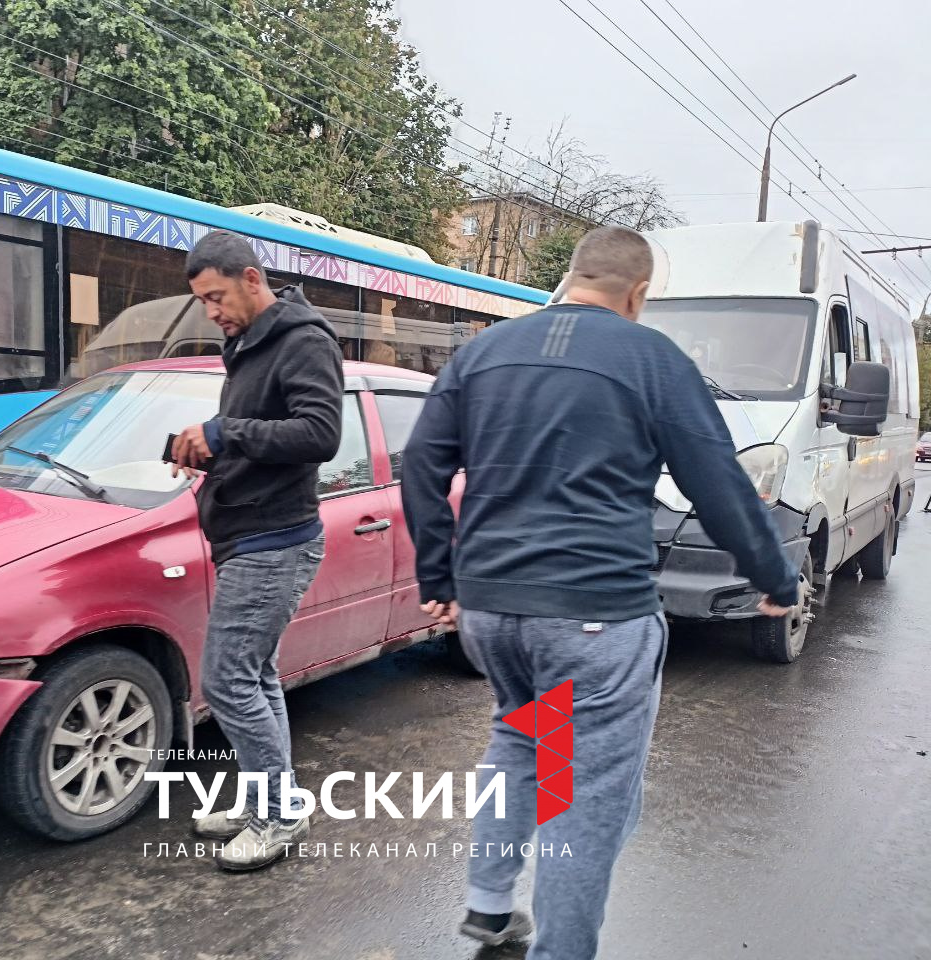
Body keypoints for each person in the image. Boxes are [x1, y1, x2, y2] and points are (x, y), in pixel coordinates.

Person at [401, 226, 799, 958]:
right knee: (585, 798)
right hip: (594, 619)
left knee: (521, 742)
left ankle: (489, 908)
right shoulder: (652, 360)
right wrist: (775, 578)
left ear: (572, 277)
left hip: (491, 614)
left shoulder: (485, 352)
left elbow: (421, 464)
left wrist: (439, 577)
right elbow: (718, 483)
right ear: (638, 294)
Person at [169, 230, 343, 871]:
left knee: (226, 680)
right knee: (256, 676)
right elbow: (256, 435)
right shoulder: (245, 343)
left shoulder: (303, 339)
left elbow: (320, 433)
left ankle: (277, 816)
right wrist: (207, 453)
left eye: (216, 297)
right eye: (203, 303)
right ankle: (266, 799)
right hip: (245, 532)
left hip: (276, 538)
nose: (212, 312)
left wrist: (223, 434)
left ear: (250, 278)